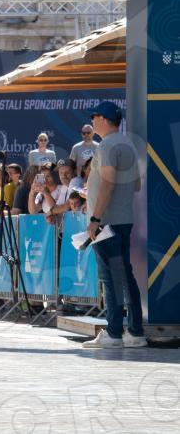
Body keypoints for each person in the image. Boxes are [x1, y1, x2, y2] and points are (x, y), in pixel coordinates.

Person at [82, 102, 146, 349]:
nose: (92, 120)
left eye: (94, 116)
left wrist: (95, 219)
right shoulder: (127, 143)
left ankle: (114, 333)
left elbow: (108, 183)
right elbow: (136, 185)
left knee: (111, 279)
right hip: (123, 219)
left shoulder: (107, 145)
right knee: (125, 276)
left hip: (107, 223)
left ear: (104, 118)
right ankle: (135, 332)